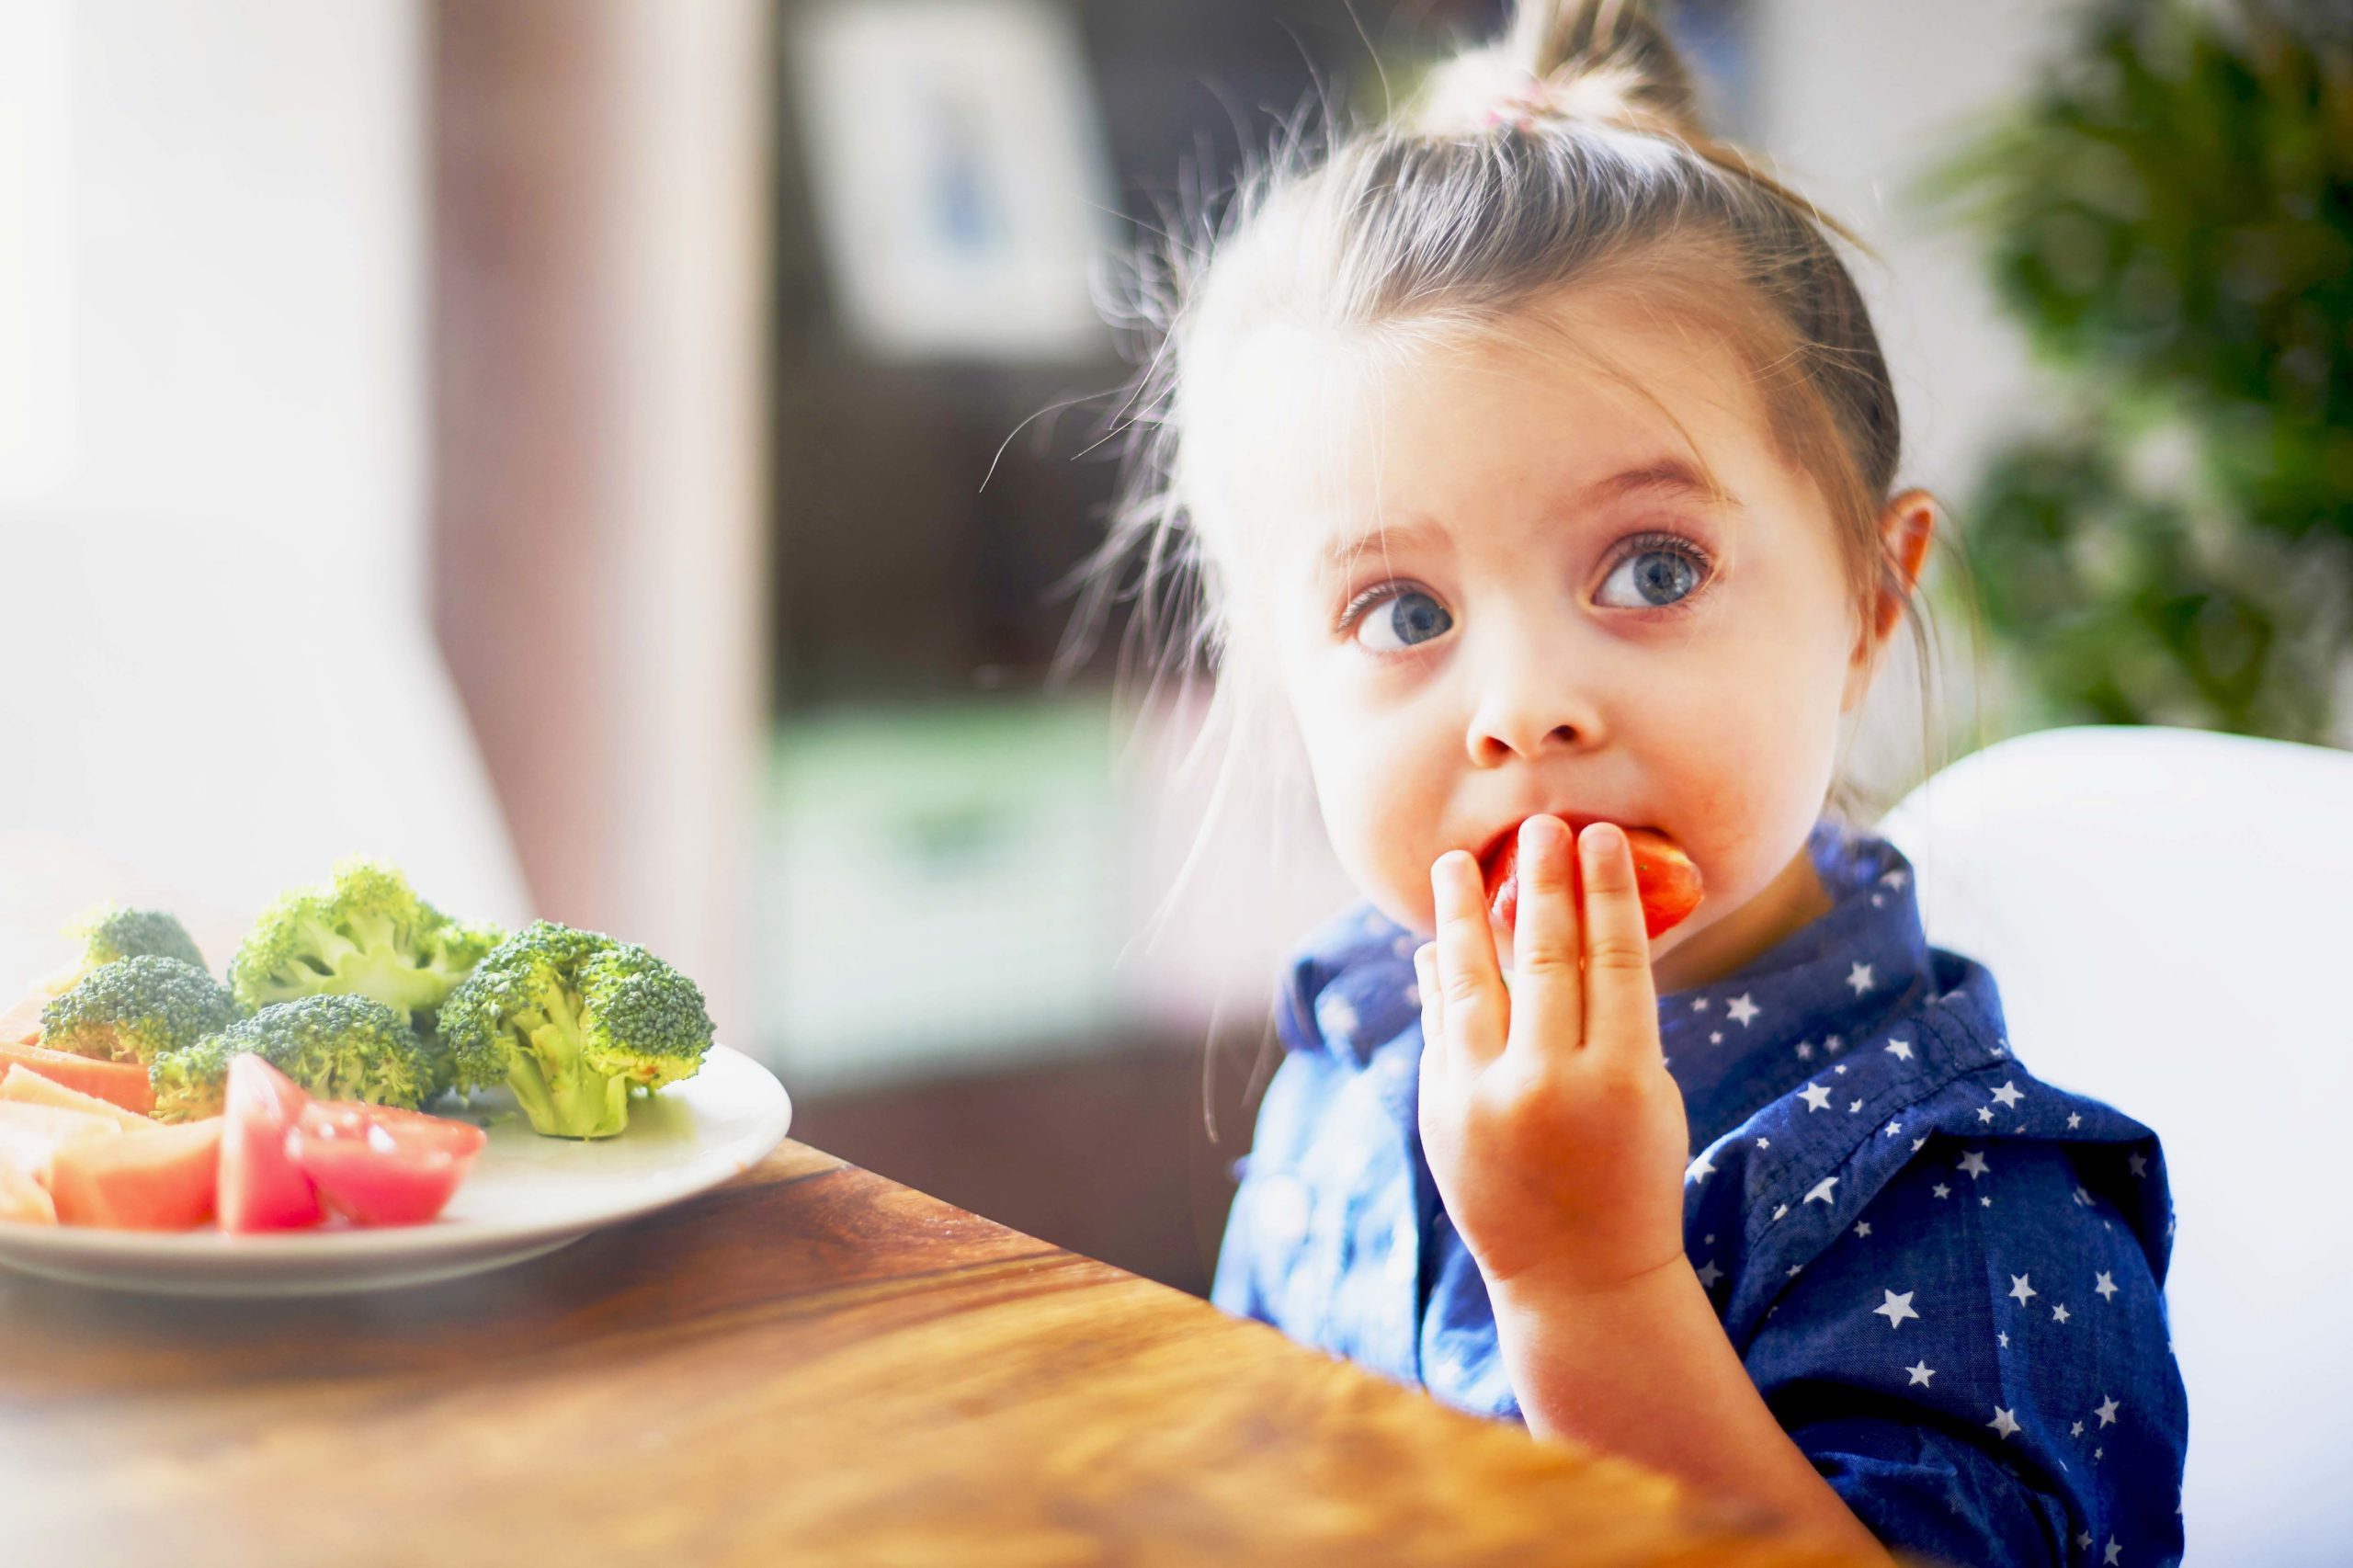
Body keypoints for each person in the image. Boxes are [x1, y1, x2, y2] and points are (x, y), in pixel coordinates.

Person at [1073, 2, 2189, 1562]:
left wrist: (1589, 1289)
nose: (1524, 708)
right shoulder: (1349, 1043)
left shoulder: (1974, 1210)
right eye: (1405, 614)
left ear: (1871, 603)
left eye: (1652, 569)